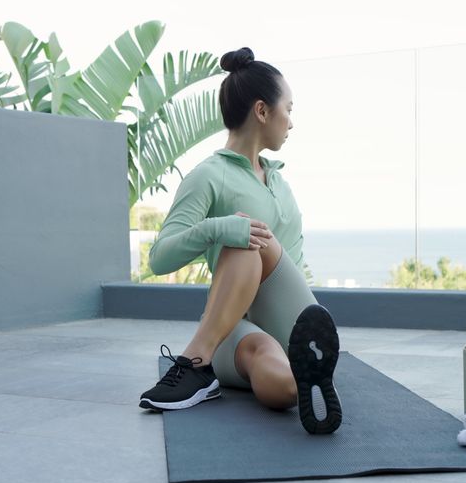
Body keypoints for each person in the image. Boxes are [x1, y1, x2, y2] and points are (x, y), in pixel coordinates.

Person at [138, 47, 342, 434]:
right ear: (263, 111)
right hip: (231, 328)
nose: (291, 122)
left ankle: (195, 363)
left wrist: (237, 230)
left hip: (289, 317)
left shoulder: (281, 183)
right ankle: (217, 368)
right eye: (290, 109)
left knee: (249, 234)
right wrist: (219, 228)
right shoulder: (207, 176)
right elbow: (159, 259)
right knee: (283, 387)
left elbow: (290, 267)